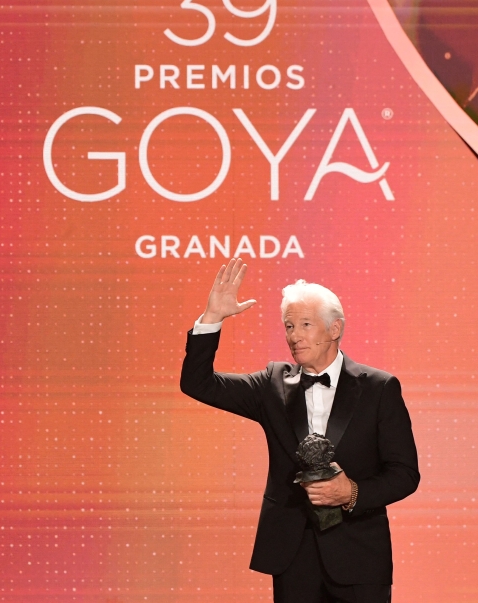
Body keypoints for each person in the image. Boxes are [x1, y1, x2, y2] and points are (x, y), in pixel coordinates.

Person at [180, 258, 420, 603]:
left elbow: (404, 474)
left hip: (360, 556)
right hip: (292, 557)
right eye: (289, 326)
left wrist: (351, 493)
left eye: (305, 324)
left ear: (334, 329)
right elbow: (198, 383)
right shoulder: (271, 385)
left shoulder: (380, 388)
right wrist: (213, 318)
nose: (293, 335)